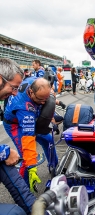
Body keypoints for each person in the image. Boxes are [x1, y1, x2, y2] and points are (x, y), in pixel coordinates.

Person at [3, 77, 58, 191]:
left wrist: (52, 106)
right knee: (25, 157)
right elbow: (28, 139)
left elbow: (47, 98)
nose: (43, 102)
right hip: (15, 124)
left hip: (33, 117)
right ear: (31, 92)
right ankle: (23, 190)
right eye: (41, 99)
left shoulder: (35, 81)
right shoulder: (24, 108)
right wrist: (32, 166)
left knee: (48, 140)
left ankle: (54, 167)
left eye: (45, 98)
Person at [0, 58, 35, 215]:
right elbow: (28, 133)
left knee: (5, 163)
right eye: (13, 88)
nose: (14, 93)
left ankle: (36, 209)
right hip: (12, 123)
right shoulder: (24, 104)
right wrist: (4, 152)